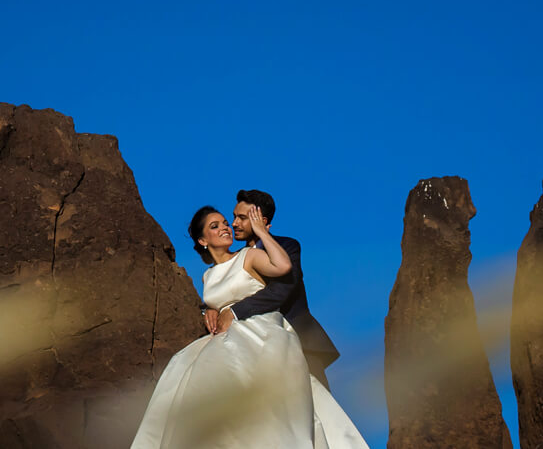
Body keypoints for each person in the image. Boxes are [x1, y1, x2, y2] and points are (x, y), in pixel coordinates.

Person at [129, 206, 370, 449]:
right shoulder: (207, 275)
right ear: (203, 240)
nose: (225, 227)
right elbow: (217, 299)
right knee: (187, 374)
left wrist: (262, 233)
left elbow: (282, 267)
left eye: (225, 222)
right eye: (215, 226)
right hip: (224, 337)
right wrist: (208, 310)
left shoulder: (248, 256)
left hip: (260, 330)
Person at [212, 189, 341, 385]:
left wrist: (234, 312)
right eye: (234, 217)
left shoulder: (288, 247)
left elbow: (282, 290)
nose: (234, 223)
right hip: (251, 348)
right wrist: (211, 310)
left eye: (242, 218)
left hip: (298, 342)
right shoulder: (235, 258)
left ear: (261, 220)